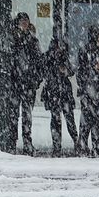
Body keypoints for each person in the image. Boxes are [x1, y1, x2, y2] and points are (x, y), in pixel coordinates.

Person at [77, 26, 99, 157]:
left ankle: (94, 146)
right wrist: (95, 67)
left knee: (96, 119)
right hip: (89, 89)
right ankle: (83, 145)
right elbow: (81, 70)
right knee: (87, 118)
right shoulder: (87, 50)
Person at [41, 39, 78, 157]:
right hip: (53, 91)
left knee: (68, 118)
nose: (59, 50)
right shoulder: (48, 57)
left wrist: (65, 70)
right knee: (56, 119)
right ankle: (57, 145)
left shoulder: (64, 58)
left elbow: (71, 71)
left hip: (62, 91)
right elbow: (43, 70)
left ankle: (75, 142)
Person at [12, 12, 42, 156]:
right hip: (17, 82)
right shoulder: (13, 39)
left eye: (26, 21)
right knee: (14, 114)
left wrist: (36, 79)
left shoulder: (33, 41)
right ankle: (13, 140)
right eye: (22, 21)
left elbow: (38, 61)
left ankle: (27, 142)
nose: (24, 24)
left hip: (28, 83)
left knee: (27, 115)